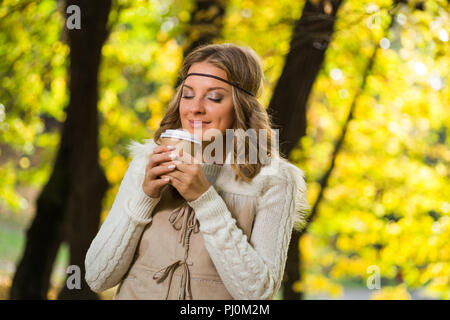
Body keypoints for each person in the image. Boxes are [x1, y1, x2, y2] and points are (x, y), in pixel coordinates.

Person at [84, 43, 310, 300]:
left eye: (214, 97)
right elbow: (97, 277)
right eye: (188, 95)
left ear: (242, 106)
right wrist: (145, 197)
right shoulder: (149, 162)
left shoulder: (274, 180)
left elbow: (257, 294)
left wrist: (204, 199)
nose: (195, 108)